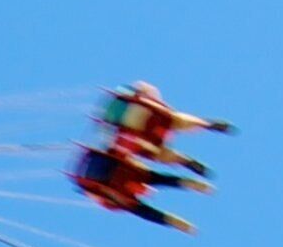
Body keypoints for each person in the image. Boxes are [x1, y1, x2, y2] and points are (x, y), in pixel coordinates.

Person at [95, 82, 232, 174]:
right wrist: (159, 103)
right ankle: (206, 125)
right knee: (174, 120)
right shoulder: (127, 97)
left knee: (156, 152)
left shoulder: (112, 130)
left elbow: (119, 149)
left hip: (143, 130)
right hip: (154, 115)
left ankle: (186, 161)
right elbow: (145, 87)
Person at [71, 141, 207, 231]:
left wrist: (175, 223)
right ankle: (194, 185)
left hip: (113, 178)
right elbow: (121, 154)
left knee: (157, 184)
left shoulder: (118, 197)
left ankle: (180, 217)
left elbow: (145, 212)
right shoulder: (136, 179)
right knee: (159, 180)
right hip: (118, 172)